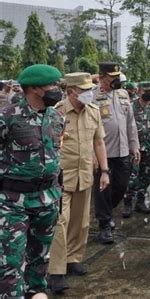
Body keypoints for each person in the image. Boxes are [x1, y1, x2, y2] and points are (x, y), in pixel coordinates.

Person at [0, 64, 64, 298]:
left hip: (47, 200)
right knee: (10, 262)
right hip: (12, 203)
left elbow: (56, 154)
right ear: (36, 88)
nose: (58, 89)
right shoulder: (7, 117)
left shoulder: (56, 117)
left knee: (40, 259)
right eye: (53, 85)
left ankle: (35, 292)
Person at [47, 72, 110, 293]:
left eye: (90, 89)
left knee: (80, 221)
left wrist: (104, 170)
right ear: (71, 91)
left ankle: (73, 258)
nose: (89, 93)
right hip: (60, 178)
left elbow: (99, 143)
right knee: (60, 222)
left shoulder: (93, 112)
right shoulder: (56, 113)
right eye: (84, 90)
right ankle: (56, 271)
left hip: (85, 174)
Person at [92, 62, 140, 244]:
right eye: (113, 77)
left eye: (118, 76)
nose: (117, 80)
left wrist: (134, 146)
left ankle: (106, 212)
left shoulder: (123, 94)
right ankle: (104, 225)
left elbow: (131, 123)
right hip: (103, 152)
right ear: (102, 77)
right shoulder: (92, 96)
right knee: (103, 189)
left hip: (123, 150)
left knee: (121, 186)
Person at [123, 81, 150, 217]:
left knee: (146, 176)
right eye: (145, 91)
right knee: (131, 177)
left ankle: (140, 202)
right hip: (133, 149)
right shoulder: (129, 108)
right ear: (138, 91)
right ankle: (128, 203)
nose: (148, 94)